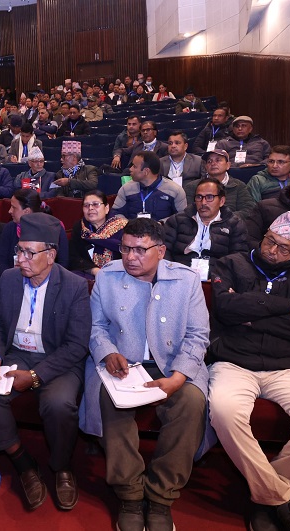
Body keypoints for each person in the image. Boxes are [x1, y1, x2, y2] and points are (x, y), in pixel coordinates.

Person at [207, 212, 290, 531]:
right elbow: (225, 309)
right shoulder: (231, 263)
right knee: (224, 412)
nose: (273, 250)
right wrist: (284, 307)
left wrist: (251, 316)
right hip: (235, 361)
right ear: (265, 234)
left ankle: (266, 497)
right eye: (271, 241)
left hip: (289, 367)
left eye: (284, 248)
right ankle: (280, 500)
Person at [83, 217, 210, 531]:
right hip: (122, 364)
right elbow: (96, 327)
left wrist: (179, 377)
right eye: (126, 249)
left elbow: (198, 335)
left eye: (140, 250)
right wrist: (107, 352)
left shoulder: (186, 280)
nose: (130, 257)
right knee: (108, 399)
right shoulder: (108, 276)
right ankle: (129, 492)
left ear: (161, 251)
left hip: (172, 365)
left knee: (191, 403)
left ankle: (161, 495)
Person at [0, 213, 90, 511]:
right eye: (18, 250)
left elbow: (77, 346)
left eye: (28, 252)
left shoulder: (74, 286)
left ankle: (62, 467)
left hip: (57, 360)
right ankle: (23, 462)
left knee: (59, 404)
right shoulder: (9, 279)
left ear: (50, 255)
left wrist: (36, 376)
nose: (20, 259)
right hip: (16, 354)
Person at [164, 178, 250, 276]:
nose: (203, 202)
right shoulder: (177, 220)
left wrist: (221, 277)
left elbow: (238, 258)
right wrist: (171, 272)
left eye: (209, 197)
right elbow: (163, 250)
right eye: (199, 197)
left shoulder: (234, 224)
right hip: (179, 274)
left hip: (216, 277)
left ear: (221, 201)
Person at [0, 188, 69, 274]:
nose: (9, 211)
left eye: (14, 207)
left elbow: (63, 263)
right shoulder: (9, 228)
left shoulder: (55, 228)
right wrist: (10, 277)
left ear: (26, 211)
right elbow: (1, 261)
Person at [111, 151, 186, 221]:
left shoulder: (175, 190)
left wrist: (162, 223)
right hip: (131, 229)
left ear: (146, 171)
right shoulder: (126, 188)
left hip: (162, 229)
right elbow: (115, 212)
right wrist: (128, 225)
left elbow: (181, 217)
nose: (130, 169)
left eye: (134, 166)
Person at [69, 190, 128, 277]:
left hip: (119, 273)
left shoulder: (123, 228)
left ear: (106, 208)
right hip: (88, 273)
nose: (90, 208)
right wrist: (94, 270)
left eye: (95, 204)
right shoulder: (80, 228)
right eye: (86, 205)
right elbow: (73, 257)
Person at [184, 148, 255, 214]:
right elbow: (188, 211)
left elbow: (248, 210)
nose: (213, 163)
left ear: (228, 165)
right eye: (209, 161)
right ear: (205, 167)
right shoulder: (192, 186)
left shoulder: (239, 186)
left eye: (218, 160)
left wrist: (225, 219)